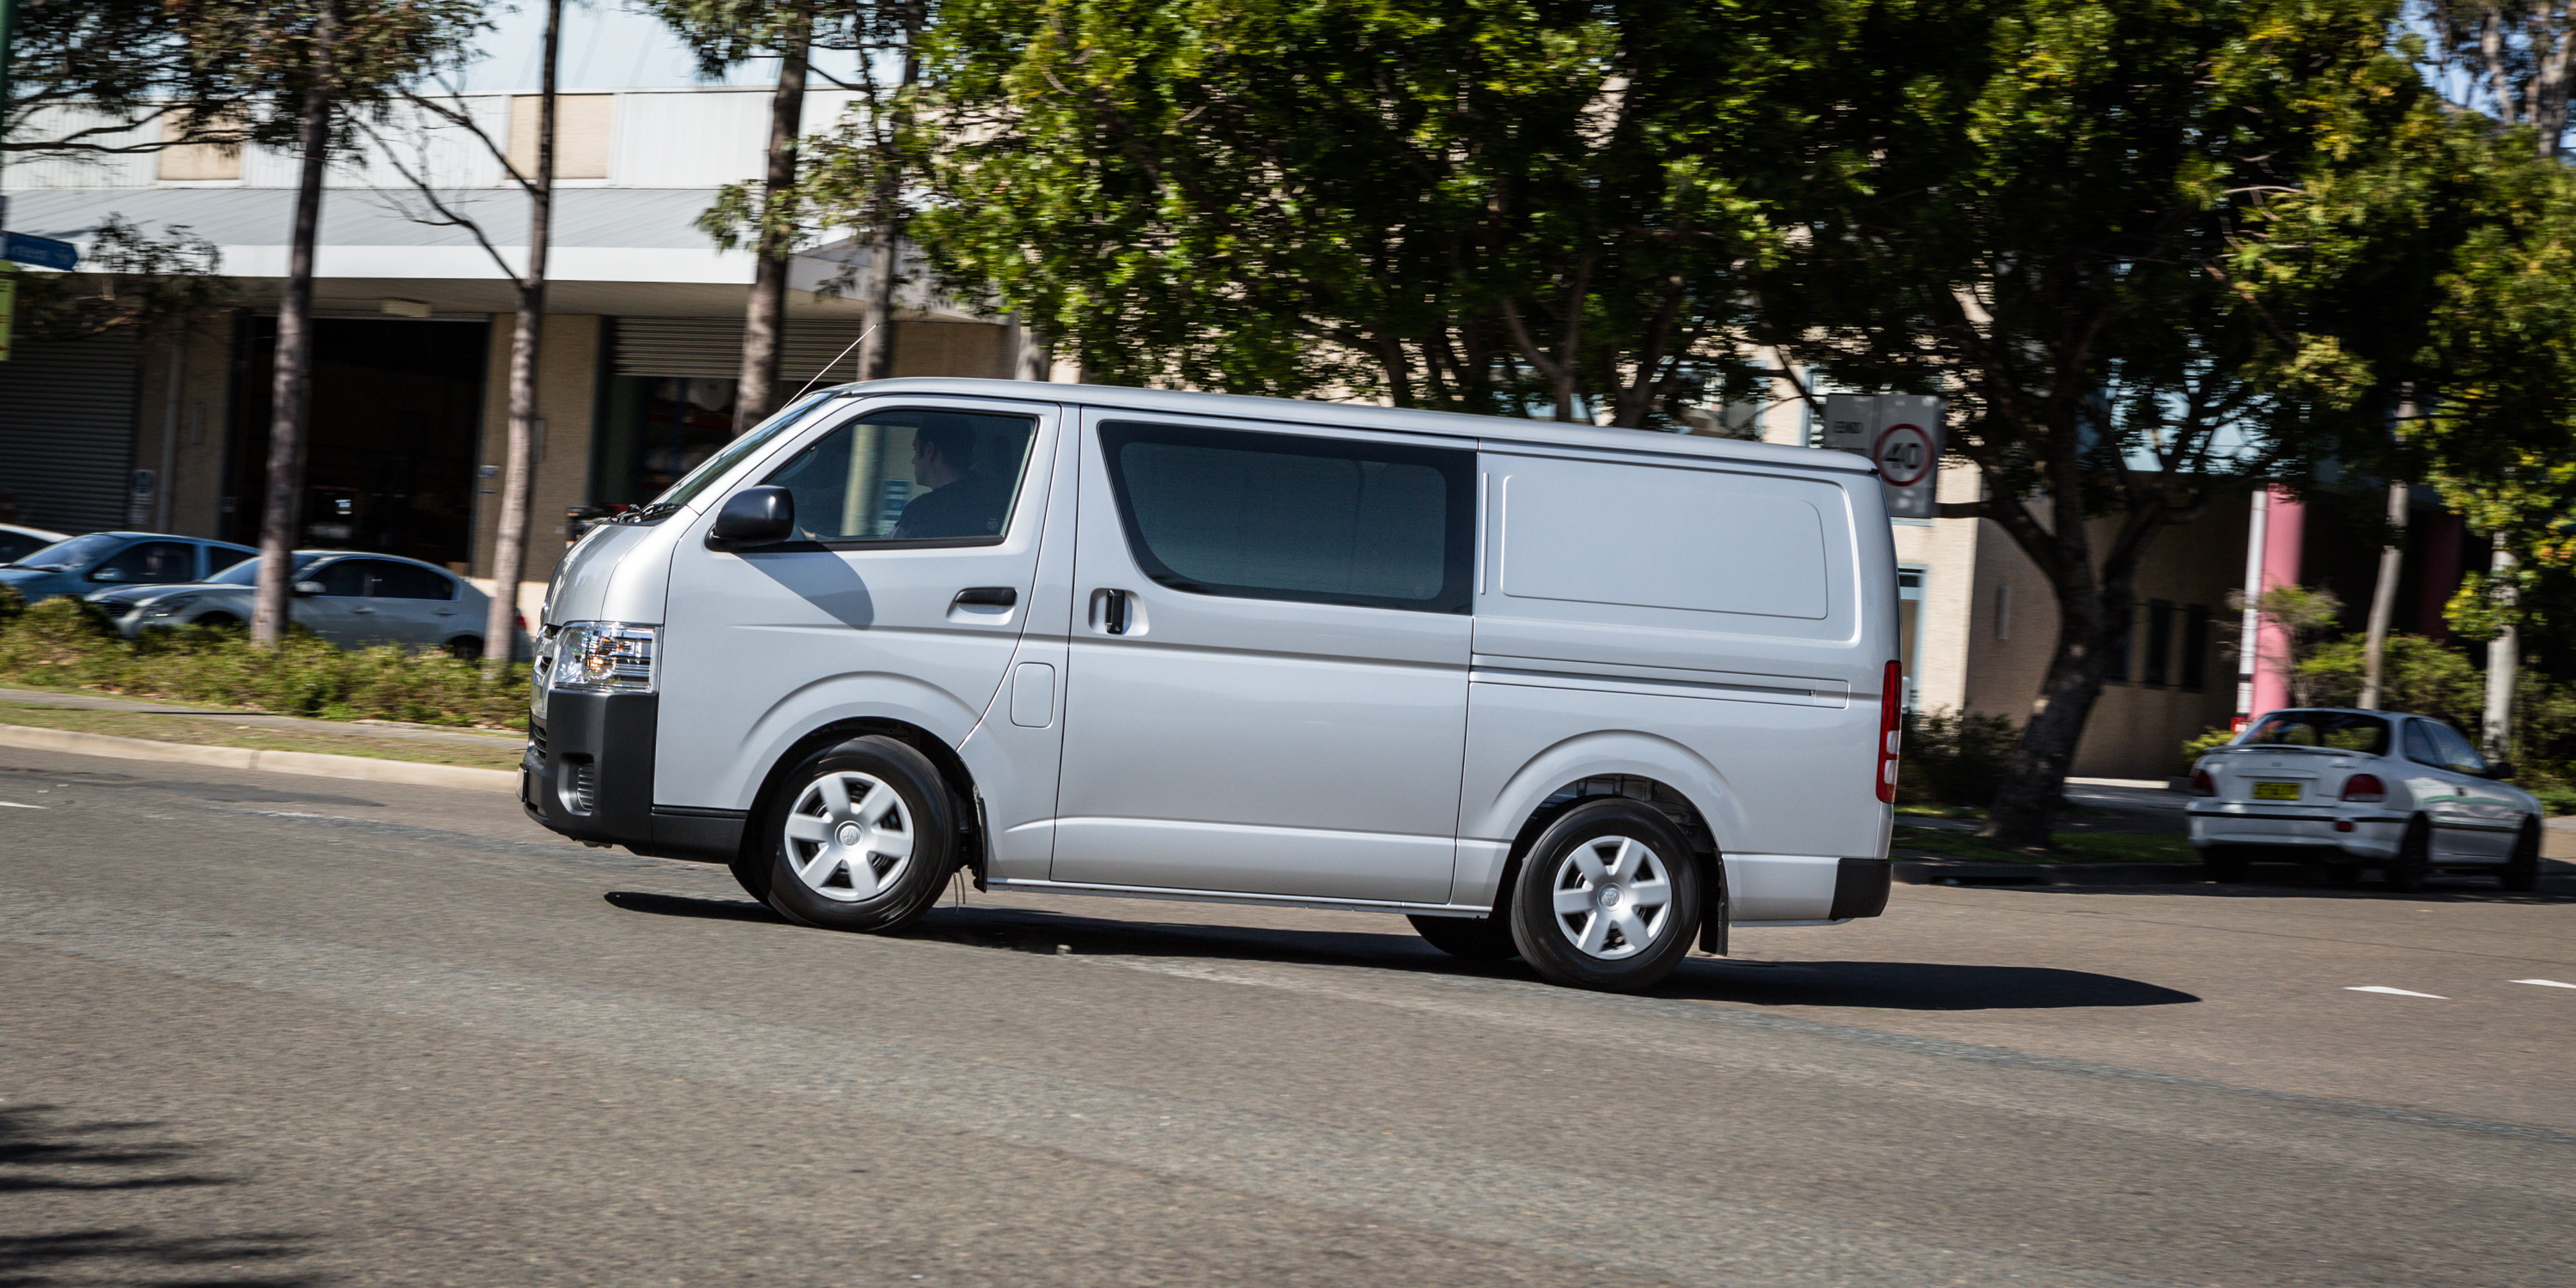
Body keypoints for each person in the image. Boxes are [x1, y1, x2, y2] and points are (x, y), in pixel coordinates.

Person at [888, 420, 1014, 538]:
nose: (913, 461)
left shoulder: (921, 511)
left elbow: (890, 547)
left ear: (929, 450)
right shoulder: (995, 504)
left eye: (915, 450)